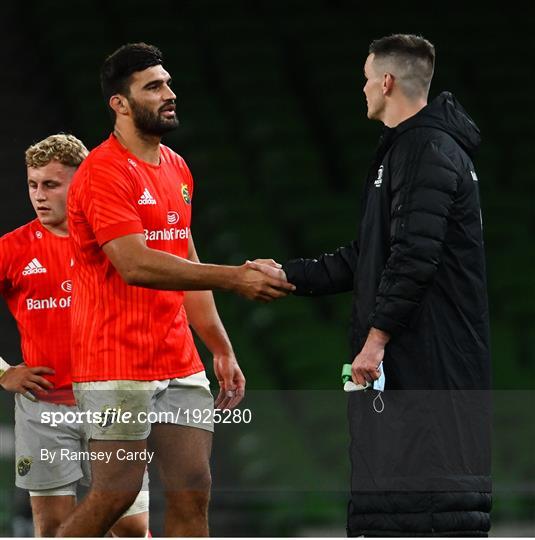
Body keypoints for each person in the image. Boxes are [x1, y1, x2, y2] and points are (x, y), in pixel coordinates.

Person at [253, 34, 492, 536]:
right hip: (422, 366)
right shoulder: (408, 149)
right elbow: (369, 257)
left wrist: (376, 340)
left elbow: (414, 255)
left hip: (428, 367)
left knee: (425, 510)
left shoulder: (426, 149)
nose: (362, 89)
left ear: (386, 81)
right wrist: (289, 274)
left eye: (365, 78)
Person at [58, 43, 295, 537]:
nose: (170, 94)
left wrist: (220, 346)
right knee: (116, 494)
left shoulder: (177, 166)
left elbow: (184, 257)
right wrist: (235, 277)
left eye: (167, 83)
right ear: (119, 104)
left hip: (178, 359)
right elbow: (136, 264)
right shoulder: (102, 172)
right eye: (153, 87)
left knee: (193, 489)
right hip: (114, 363)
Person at [0, 134, 150, 537]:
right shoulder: (12, 248)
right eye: (32, 184)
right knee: (51, 529)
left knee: (132, 529)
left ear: (81, 183)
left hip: (113, 401)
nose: (38, 195)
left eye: (51, 184)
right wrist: (1, 372)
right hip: (44, 408)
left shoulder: (118, 243)